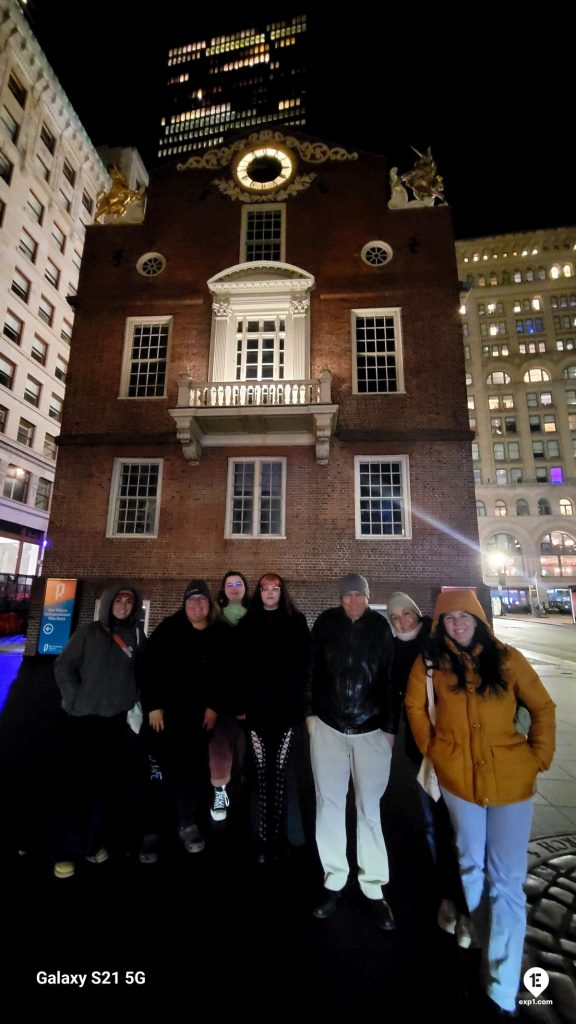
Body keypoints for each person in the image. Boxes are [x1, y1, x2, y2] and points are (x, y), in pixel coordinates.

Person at [406, 589, 556, 1017]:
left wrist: (538, 757)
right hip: (459, 780)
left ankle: (502, 986)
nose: (457, 625)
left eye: (464, 617)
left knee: (507, 880)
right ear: (440, 625)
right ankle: (490, 951)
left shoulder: (507, 659)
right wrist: (433, 750)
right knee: (471, 865)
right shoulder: (431, 663)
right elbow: (414, 705)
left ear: (478, 620)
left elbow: (543, 707)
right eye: (449, 619)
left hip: (511, 781)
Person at [306, 573, 397, 929]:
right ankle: (334, 879)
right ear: (340, 598)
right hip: (328, 725)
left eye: (359, 595)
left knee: (369, 808)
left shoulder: (380, 628)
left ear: (368, 597)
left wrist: (390, 729)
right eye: (348, 595)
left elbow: (390, 680)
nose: (353, 601)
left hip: (371, 729)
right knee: (328, 805)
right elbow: (311, 670)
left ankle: (373, 885)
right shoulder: (326, 624)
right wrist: (310, 715)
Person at [388, 592, 471, 945]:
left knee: (463, 825)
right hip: (423, 750)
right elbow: (402, 701)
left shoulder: (438, 643)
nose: (402, 621)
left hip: (457, 746)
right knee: (434, 821)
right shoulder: (394, 650)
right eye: (395, 617)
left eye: (406, 613)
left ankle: (468, 900)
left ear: (417, 613)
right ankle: (448, 894)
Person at [52, 580, 145, 878]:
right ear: (108, 603)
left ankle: (91, 843)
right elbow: (64, 665)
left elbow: (144, 673)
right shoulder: (89, 633)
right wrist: (74, 698)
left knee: (104, 789)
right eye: (118, 600)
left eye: (129, 601)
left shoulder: (137, 636)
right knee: (75, 789)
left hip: (116, 724)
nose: (123, 605)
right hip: (84, 721)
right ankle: (66, 850)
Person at [140, 579, 225, 857]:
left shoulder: (217, 634)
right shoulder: (168, 629)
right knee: (159, 776)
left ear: (209, 604)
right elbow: (149, 667)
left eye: (202, 600)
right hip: (164, 719)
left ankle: (188, 824)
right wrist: (153, 705)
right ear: (184, 605)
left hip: (197, 721)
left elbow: (225, 674)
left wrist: (214, 707)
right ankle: (153, 830)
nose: (197, 605)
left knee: (192, 775)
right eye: (191, 601)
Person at [240, 573, 310, 864]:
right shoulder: (247, 624)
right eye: (265, 589)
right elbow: (238, 667)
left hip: (286, 712)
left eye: (275, 589)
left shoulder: (296, 622)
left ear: (282, 592)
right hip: (256, 712)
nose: (270, 593)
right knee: (260, 774)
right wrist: (241, 704)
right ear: (259, 592)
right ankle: (261, 839)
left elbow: (306, 666)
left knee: (280, 774)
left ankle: (280, 839)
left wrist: (303, 707)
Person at [208, 571, 250, 821]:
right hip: (220, 693)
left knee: (246, 747)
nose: (234, 587)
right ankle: (219, 790)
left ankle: (245, 797)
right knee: (219, 744)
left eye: (238, 583)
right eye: (229, 584)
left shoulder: (255, 616)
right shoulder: (213, 617)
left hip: (249, 693)